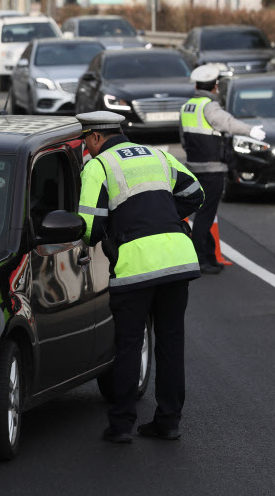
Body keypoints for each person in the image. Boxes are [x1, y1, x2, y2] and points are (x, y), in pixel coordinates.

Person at [76, 111, 204, 444]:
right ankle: (168, 422)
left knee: (130, 344)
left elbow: (88, 226)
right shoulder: (158, 155)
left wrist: (118, 230)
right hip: (177, 260)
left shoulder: (98, 166)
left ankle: (121, 426)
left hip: (136, 266)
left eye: (85, 141)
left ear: (95, 137)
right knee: (171, 344)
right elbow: (195, 193)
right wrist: (161, 219)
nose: (85, 148)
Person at [179, 64, 265, 275]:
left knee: (204, 213)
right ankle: (199, 259)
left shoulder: (187, 106)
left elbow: (183, 139)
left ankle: (208, 256)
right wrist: (251, 130)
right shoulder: (209, 107)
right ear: (215, 86)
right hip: (212, 168)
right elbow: (227, 123)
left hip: (195, 166)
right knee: (205, 216)